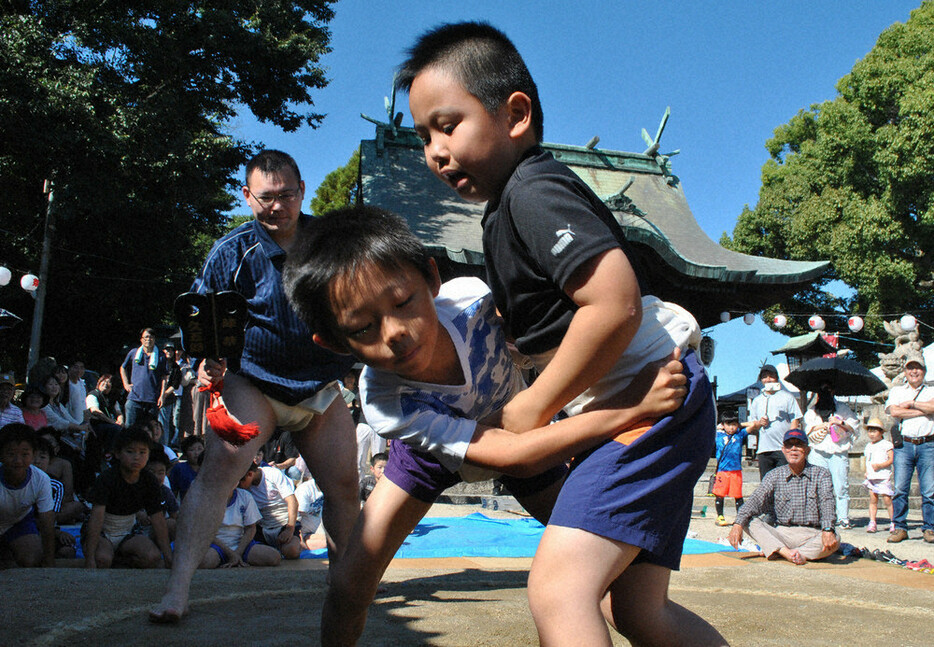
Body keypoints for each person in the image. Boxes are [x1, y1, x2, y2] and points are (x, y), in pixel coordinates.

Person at [397, 23, 723, 646]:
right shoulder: (507, 207)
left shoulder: (534, 189)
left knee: (559, 588)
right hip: (648, 399)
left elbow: (614, 302)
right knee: (639, 611)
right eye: (423, 137)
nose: (435, 151)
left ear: (515, 114)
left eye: (448, 124)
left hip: (649, 395)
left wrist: (533, 405)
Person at [282, 205, 691, 645]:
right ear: (333, 341)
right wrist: (628, 407)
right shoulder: (385, 400)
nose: (395, 330)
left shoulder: (473, 301)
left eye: (404, 303)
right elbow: (505, 454)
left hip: (523, 431)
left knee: (612, 579)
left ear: (432, 279)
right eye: (363, 327)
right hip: (434, 458)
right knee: (349, 587)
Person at [151, 149, 360, 624]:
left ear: (302, 191)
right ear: (248, 197)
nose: (277, 206)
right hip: (256, 381)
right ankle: (177, 588)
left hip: (321, 386)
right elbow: (201, 317)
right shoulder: (231, 251)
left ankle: (345, 587)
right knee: (219, 469)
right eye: (265, 197)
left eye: (286, 195)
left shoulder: (331, 243)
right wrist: (205, 365)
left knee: (344, 486)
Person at [728, 429, 839, 565]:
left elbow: (827, 503)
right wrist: (737, 524)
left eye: (798, 445)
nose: (793, 449)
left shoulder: (822, 474)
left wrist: (827, 530)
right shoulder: (774, 475)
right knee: (747, 520)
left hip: (812, 534)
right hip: (782, 533)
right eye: (789, 446)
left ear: (807, 450)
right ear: (783, 450)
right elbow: (755, 500)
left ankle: (781, 551)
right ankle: (788, 552)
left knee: (836, 538)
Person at [82, 426, 172, 569]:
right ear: (117, 453)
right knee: (102, 559)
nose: (136, 457)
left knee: (152, 557)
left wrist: (168, 557)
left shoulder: (149, 480)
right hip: (103, 531)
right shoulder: (107, 478)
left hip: (129, 530)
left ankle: (118, 560)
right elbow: (96, 517)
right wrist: (90, 557)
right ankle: (104, 556)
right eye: (130, 452)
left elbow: (158, 518)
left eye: (142, 452)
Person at [884, 351, 934, 543]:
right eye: (910, 368)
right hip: (904, 445)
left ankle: (929, 528)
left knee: (929, 490)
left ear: (924, 371)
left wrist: (911, 404)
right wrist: (923, 411)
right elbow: (894, 412)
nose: (914, 371)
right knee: (900, 489)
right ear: (905, 371)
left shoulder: (931, 390)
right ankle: (899, 527)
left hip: (928, 444)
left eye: (918, 368)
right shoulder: (897, 391)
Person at [198, 467, 281, 569]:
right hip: (216, 545)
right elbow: (206, 533)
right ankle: (226, 559)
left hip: (241, 543)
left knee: (273, 557)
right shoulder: (207, 500)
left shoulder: (245, 496)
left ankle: (237, 558)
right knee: (204, 562)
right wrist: (230, 554)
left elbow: (251, 528)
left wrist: (238, 552)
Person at [803, 382, 858, 529]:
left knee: (840, 486)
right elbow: (807, 429)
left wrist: (840, 422)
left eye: (828, 389)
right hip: (818, 451)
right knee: (818, 486)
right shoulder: (812, 411)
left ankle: (843, 517)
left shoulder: (842, 409)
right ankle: (821, 517)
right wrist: (821, 425)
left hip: (838, 451)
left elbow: (854, 426)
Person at [0, 423, 56, 567]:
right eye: (11, 454)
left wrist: (49, 560)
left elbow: (47, 522)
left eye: (25, 454)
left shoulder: (41, 479)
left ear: (33, 454)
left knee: (30, 559)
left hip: (19, 522)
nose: (18, 461)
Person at [744, 364, 803, 479]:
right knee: (766, 483)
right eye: (765, 377)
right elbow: (753, 425)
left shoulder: (787, 397)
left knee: (784, 482)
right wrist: (759, 423)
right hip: (764, 449)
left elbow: (795, 420)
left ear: (777, 378)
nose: (768, 379)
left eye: (771, 376)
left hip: (783, 448)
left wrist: (791, 443)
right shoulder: (757, 401)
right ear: (761, 380)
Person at [240, 461, 302, 560]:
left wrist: (289, 529)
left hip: (284, 523)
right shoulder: (244, 489)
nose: (239, 485)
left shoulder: (273, 474)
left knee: (291, 551)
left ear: (250, 474)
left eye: (240, 482)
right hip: (262, 526)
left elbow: (292, 501)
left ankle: (296, 543)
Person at [120, 328, 167, 427]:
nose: (148, 339)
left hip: (152, 399)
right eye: (146, 337)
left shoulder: (161, 356)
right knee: (130, 428)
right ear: (141, 339)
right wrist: (126, 384)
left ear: (154, 339)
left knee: (149, 430)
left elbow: (164, 377)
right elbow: (123, 368)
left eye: (151, 337)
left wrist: (162, 395)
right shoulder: (134, 352)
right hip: (134, 397)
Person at [712, 410, 748, 526]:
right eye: (728, 424)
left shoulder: (739, 434)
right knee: (720, 494)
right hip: (722, 470)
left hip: (736, 470)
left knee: (738, 495)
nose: (731, 427)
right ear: (723, 425)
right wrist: (719, 427)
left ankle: (740, 517)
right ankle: (720, 516)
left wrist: (740, 425)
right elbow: (706, 430)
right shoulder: (718, 435)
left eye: (734, 424)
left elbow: (753, 425)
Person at [862, 417, 895, 534]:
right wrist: (866, 471)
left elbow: (891, 459)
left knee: (887, 500)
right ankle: (872, 521)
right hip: (872, 476)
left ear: (881, 432)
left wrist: (880, 465)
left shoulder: (886, 444)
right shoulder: (868, 446)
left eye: (874, 431)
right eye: (870, 431)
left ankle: (893, 521)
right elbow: (867, 460)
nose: (872, 434)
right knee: (873, 499)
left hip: (883, 476)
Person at [168, 436, 204, 502]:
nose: (196, 453)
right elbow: (173, 493)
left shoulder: (209, 468)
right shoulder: (179, 469)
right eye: (191, 450)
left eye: (199, 449)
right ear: (185, 453)